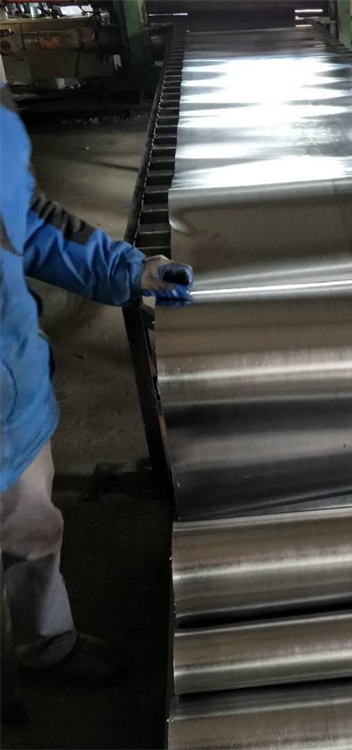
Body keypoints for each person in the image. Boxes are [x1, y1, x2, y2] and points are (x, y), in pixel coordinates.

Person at [1, 83, 193, 687]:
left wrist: (129, 269)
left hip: (11, 396)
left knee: (30, 530)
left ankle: (45, 644)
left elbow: (22, 217)